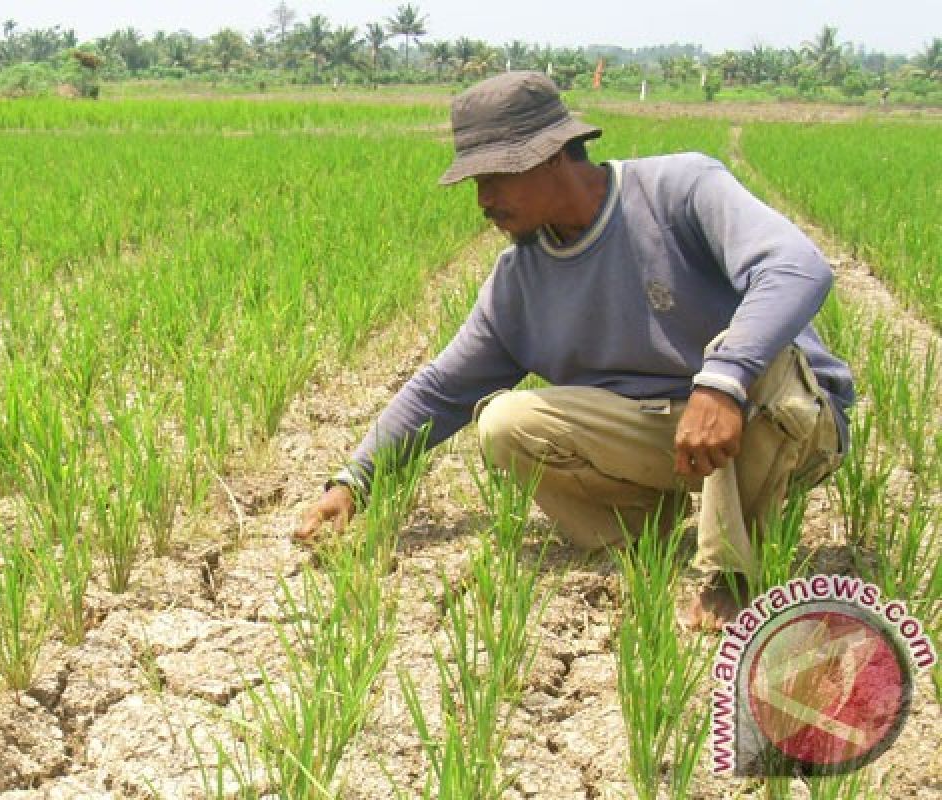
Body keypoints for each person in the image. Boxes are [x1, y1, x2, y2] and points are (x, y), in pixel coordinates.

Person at [294, 71, 854, 631]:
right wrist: (352, 484)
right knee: (506, 422)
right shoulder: (521, 280)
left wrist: (724, 378)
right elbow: (441, 391)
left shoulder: (681, 190)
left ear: (552, 156)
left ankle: (735, 575)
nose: (484, 199)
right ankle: (645, 531)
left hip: (783, 419)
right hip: (669, 437)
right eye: (476, 182)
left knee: (750, 358)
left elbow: (797, 267)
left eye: (495, 176)